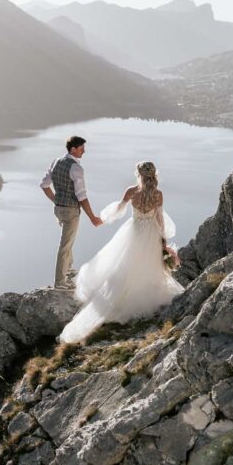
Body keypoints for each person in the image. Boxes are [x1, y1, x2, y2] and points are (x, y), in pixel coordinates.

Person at [57, 161, 184, 344]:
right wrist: (163, 241)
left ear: (138, 174)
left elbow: (119, 208)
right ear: (153, 175)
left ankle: (117, 297)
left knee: (125, 264)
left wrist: (101, 219)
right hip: (150, 235)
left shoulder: (132, 191)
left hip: (133, 231)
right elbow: (159, 219)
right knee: (146, 265)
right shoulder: (158, 194)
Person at [41, 135, 104, 290]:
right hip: (71, 211)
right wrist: (92, 217)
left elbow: (44, 185)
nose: (84, 151)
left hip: (58, 209)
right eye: (82, 148)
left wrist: (56, 200)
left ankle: (67, 271)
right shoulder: (76, 168)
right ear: (73, 149)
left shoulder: (56, 162)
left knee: (67, 240)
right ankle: (60, 282)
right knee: (65, 245)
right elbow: (81, 196)